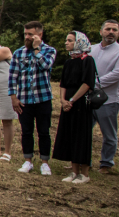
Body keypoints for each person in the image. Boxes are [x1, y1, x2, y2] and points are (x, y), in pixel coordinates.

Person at [9, 21, 56, 175]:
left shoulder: (49, 50)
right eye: (26, 34)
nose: (27, 37)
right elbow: (12, 77)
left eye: (30, 34)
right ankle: (28, 160)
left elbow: (46, 66)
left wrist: (36, 50)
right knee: (26, 131)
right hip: (24, 100)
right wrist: (13, 98)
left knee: (43, 131)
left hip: (43, 99)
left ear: (39, 34)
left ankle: (44, 163)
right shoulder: (18, 53)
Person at [52, 32, 96, 184]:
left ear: (78, 42)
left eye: (70, 40)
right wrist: (63, 100)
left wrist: (71, 100)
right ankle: (74, 171)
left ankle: (84, 173)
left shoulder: (88, 61)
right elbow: (63, 83)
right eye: (66, 40)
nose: (66, 43)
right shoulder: (69, 62)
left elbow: (87, 83)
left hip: (81, 102)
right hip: (68, 103)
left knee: (81, 136)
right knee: (69, 134)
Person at [90, 19, 119, 174]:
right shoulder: (91, 49)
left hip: (109, 99)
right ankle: (83, 161)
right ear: (101, 31)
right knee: (84, 131)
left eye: (114, 30)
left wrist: (93, 83)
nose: (111, 32)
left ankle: (106, 164)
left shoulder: (118, 51)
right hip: (88, 98)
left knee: (109, 134)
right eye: (108, 29)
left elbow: (116, 74)